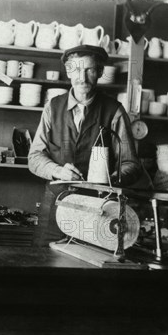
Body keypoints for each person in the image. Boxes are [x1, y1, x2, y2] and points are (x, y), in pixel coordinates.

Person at [28, 45, 144, 246]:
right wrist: (58, 171)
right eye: (76, 70)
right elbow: (34, 157)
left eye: (89, 70)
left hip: (99, 208)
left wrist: (113, 178)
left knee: (88, 267)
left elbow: (131, 164)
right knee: (43, 263)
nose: (82, 77)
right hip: (56, 203)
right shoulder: (52, 107)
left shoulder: (114, 111)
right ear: (68, 71)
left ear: (99, 72)